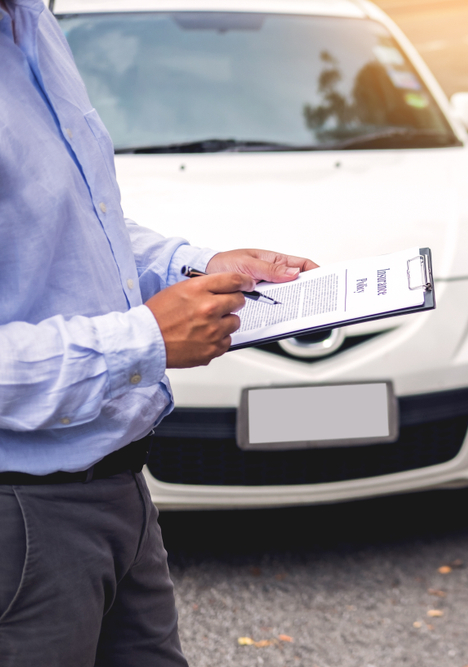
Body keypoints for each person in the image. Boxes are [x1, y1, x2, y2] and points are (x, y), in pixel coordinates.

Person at [0, 1, 318, 664]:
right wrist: (145, 339)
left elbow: (76, 222)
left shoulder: (33, 24)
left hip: (120, 487)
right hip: (24, 518)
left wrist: (194, 264)